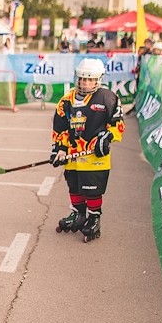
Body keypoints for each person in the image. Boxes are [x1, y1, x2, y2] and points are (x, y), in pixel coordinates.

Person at [51, 58, 125, 243]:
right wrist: (59, 149)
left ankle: (94, 218)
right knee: (74, 186)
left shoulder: (108, 98)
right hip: (73, 155)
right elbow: (60, 126)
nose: (85, 82)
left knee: (92, 190)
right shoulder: (66, 100)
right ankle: (78, 214)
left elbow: (117, 123)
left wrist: (107, 137)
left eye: (90, 79)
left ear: (98, 79)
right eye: (82, 78)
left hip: (94, 156)